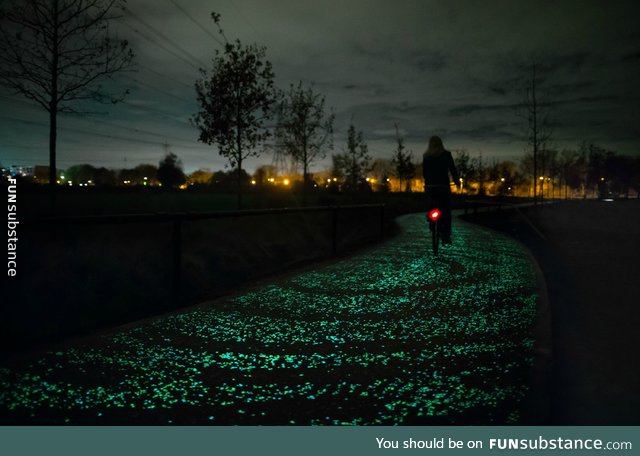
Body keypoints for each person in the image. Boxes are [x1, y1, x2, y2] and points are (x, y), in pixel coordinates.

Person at [422, 136, 460, 244]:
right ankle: (446, 236)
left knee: (431, 203)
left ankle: (431, 221)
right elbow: (452, 169)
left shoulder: (426, 156)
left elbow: (424, 173)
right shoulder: (446, 154)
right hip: (443, 186)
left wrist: (428, 181)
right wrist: (456, 182)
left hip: (430, 186)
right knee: (446, 210)